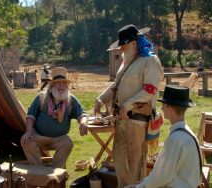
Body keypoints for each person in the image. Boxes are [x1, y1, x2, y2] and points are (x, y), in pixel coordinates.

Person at [94, 24, 164, 187]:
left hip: (138, 120)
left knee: (135, 165)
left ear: (133, 43)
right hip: (121, 120)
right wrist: (101, 99)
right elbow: (115, 87)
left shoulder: (150, 61)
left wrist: (127, 105)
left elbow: (150, 90)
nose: (121, 49)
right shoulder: (125, 63)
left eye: (123, 45)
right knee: (120, 162)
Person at [127, 85, 201, 188]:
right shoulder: (188, 133)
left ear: (170, 107)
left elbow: (163, 176)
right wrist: (146, 182)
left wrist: (140, 186)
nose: (161, 108)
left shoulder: (176, 139)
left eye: (164, 105)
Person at [21, 67, 88, 168]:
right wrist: (29, 132)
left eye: (64, 83)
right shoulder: (41, 97)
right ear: (52, 85)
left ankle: (55, 172)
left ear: (67, 85)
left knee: (68, 143)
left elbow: (82, 114)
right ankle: (38, 171)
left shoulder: (71, 100)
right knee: (26, 141)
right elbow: (30, 116)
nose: (61, 86)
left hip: (59, 138)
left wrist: (83, 123)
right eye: (58, 83)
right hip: (39, 136)